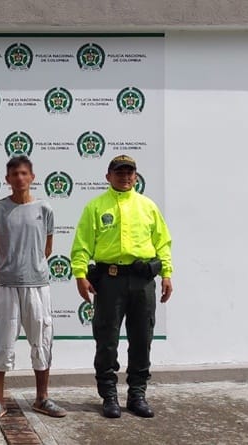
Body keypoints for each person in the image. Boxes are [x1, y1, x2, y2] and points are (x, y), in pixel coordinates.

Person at [71, 155, 173, 419]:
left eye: (129, 173)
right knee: (107, 340)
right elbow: (82, 245)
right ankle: (109, 396)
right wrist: (80, 274)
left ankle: (137, 395)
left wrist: (167, 274)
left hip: (142, 282)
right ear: (108, 176)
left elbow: (162, 244)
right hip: (109, 282)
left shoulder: (148, 206)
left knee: (142, 339)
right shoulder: (96, 207)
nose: (125, 177)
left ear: (136, 177)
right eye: (119, 172)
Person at [0, 156, 66, 421]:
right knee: (3, 343)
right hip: (7, 285)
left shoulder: (44, 208)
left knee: (41, 341)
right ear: (7, 179)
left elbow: (47, 248)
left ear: (32, 177)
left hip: (37, 285)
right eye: (14, 174)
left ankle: (42, 398)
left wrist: (31, 266)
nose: (19, 178)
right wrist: (12, 267)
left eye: (23, 173)